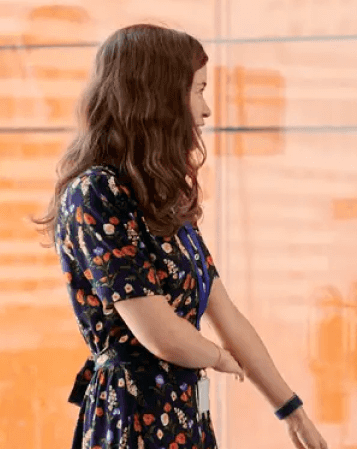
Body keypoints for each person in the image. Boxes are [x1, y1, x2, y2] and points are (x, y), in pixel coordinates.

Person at [35, 24, 327, 449]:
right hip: (131, 420)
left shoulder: (160, 196)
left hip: (184, 416)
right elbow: (161, 334)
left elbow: (226, 314)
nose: (205, 110)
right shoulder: (95, 192)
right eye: (197, 91)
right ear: (157, 98)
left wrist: (292, 411)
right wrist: (219, 359)